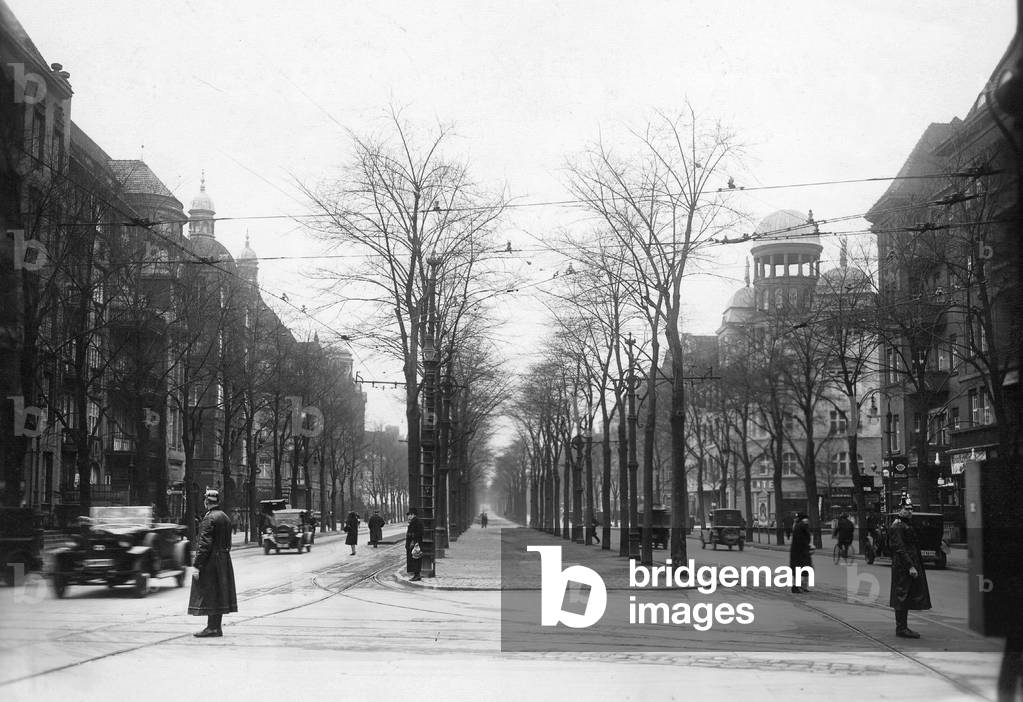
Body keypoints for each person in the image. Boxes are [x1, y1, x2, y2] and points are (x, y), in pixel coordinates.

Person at [188, 489, 237, 638]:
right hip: (224, 559)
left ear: (206, 502)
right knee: (219, 593)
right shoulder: (225, 517)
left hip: (211, 561)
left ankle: (212, 628)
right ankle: (216, 627)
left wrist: (197, 565)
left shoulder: (209, 518)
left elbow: (204, 544)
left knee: (210, 593)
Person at [889, 497, 931, 638]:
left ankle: (902, 627)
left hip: (905, 565)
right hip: (903, 567)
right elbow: (900, 548)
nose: (910, 511)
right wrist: (910, 566)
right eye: (907, 509)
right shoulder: (898, 526)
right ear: (899, 510)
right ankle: (901, 628)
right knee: (902, 595)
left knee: (904, 595)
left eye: (911, 509)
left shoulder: (904, 524)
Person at [789, 512, 813, 594]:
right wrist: (808, 546)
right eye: (806, 519)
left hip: (799, 551)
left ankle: (801, 586)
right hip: (800, 552)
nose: (808, 521)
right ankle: (796, 587)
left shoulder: (800, 525)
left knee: (803, 569)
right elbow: (802, 540)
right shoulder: (801, 526)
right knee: (800, 569)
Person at [405, 508, 424, 582]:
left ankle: (417, 575)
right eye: (408, 515)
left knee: (415, 558)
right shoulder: (413, 522)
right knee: (414, 558)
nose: (408, 516)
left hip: (415, 543)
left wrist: (411, 535)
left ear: (413, 515)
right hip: (413, 543)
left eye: (409, 515)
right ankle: (416, 575)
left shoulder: (417, 522)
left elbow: (421, 532)